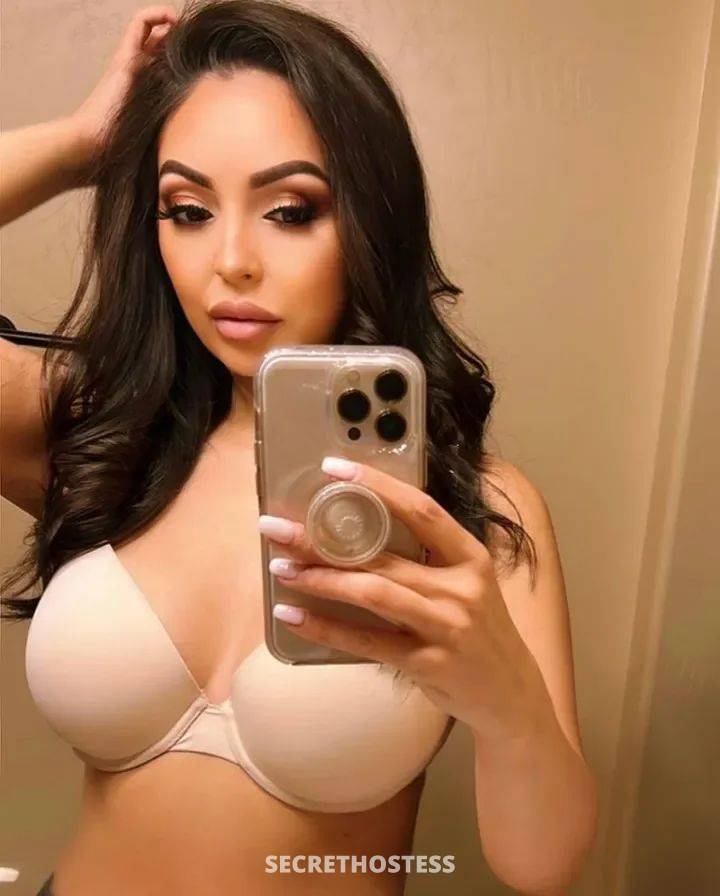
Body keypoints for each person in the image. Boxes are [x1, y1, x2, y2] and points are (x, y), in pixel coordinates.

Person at [0, 2, 598, 894]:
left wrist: (508, 703)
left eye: (289, 210)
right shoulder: (94, 430)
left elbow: (542, 867)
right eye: (187, 209)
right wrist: (81, 146)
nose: (231, 260)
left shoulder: (471, 507)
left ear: (371, 220)